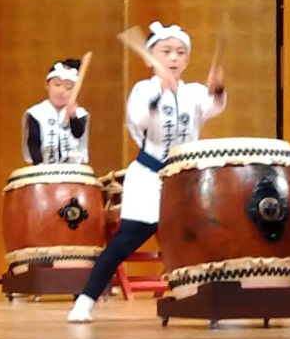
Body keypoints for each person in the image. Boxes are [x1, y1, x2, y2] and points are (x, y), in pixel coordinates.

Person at [67, 21, 225, 323]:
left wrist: (217, 88)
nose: (174, 57)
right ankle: (85, 301)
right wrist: (159, 93)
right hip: (149, 176)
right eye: (166, 51)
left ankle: (210, 299)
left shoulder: (194, 92)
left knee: (206, 235)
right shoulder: (144, 90)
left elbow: (213, 105)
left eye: (180, 52)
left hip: (184, 179)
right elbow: (139, 119)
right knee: (126, 240)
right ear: (150, 58)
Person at [22, 59, 89, 165]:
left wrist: (73, 116)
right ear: (47, 85)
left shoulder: (79, 113)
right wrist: (39, 165)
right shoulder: (36, 113)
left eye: (68, 88)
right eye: (57, 85)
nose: (61, 91)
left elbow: (78, 133)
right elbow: (33, 142)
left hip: (73, 168)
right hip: (45, 167)